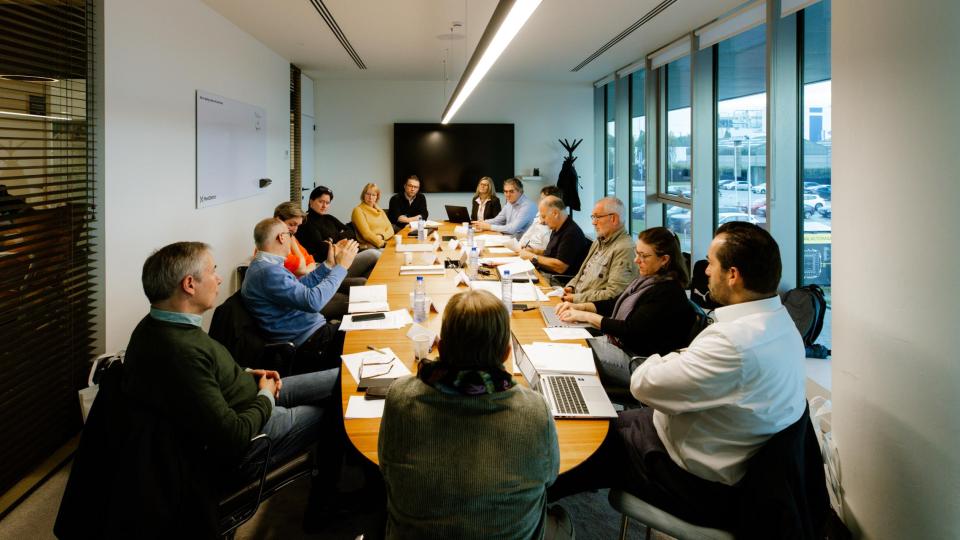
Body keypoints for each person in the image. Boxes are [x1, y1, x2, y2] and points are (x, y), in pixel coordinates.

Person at [548, 222, 807, 531]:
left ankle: (522, 508)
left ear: (733, 275)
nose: (706, 272)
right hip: (718, 452)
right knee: (595, 420)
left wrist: (673, 357)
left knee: (581, 445)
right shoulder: (782, 326)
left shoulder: (734, 341)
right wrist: (678, 357)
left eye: (711, 264)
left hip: (693, 480)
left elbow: (644, 384)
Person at [75, 242, 341, 532]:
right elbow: (234, 434)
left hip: (251, 393)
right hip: (256, 430)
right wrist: (265, 397)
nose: (218, 278)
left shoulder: (156, 327)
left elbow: (203, 379)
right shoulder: (179, 350)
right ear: (189, 284)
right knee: (338, 409)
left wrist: (248, 374)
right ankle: (325, 508)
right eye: (212, 271)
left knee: (344, 378)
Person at [378, 289, 574, 540]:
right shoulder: (536, 411)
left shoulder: (400, 397)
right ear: (506, 353)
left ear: (439, 345)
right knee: (560, 518)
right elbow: (549, 478)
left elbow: (385, 467)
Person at [556, 227, 697, 384]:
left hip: (638, 362)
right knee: (566, 343)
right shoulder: (648, 280)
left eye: (644, 256)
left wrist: (587, 316)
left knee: (569, 353)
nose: (637, 260)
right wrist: (581, 307)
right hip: (622, 347)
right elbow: (616, 303)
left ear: (664, 260)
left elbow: (629, 329)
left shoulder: (668, 292)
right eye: (637, 253)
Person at [242, 218, 358, 371]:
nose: (292, 239)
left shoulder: (265, 266)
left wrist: (329, 264)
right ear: (282, 238)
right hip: (312, 342)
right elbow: (313, 302)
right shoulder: (268, 272)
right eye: (290, 234)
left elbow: (302, 287)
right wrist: (342, 267)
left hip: (315, 334)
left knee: (365, 323)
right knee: (368, 332)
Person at [561, 197, 638, 303]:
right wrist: (571, 286)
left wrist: (576, 298)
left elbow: (614, 294)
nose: (593, 222)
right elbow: (582, 273)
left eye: (597, 217)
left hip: (588, 309)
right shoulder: (599, 241)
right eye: (593, 217)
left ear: (614, 219)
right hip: (575, 301)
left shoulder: (625, 249)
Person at [296, 185, 379, 280]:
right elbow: (322, 250)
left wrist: (332, 240)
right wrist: (339, 241)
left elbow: (350, 232)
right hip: (331, 264)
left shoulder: (329, 218)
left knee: (376, 262)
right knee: (374, 254)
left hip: (346, 256)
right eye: (321, 202)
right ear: (311, 201)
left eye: (327, 203)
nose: (324, 206)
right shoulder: (306, 222)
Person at [518, 195, 590, 277]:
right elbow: (552, 253)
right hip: (546, 273)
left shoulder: (571, 233)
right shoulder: (557, 227)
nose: (542, 221)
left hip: (558, 281)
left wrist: (532, 256)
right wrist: (534, 251)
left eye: (544, 216)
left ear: (555, 213)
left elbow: (560, 267)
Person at [472, 177, 537, 238]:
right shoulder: (509, 203)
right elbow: (498, 220)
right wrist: (482, 223)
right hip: (507, 239)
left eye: (511, 191)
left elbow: (512, 229)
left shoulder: (528, 206)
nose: (508, 195)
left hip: (520, 244)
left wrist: (489, 227)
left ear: (520, 191)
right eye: (506, 191)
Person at [268, 201, 317, 277]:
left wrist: (305, 271)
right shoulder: (273, 243)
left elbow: (311, 262)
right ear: (278, 221)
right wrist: (293, 244)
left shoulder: (290, 236)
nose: (295, 230)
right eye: (291, 224)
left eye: (298, 225)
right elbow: (301, 269)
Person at [515, 185, 563, 252]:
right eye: (541, 199)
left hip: (536, 256)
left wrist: (532, 251)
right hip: (525, 251)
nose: (540, 202)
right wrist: (519, 247)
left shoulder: (556, 224)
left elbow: (548, 251)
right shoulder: (539, 215)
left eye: (543, 200)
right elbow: (527, 235)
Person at [351, 182, 394, 249]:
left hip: (385, 242)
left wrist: (382, 236)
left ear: (377, 197)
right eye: (368, 194)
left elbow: (391, 229)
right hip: (371, 246)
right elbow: (366, 234)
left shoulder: (379, 210)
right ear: (363, 195)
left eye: (373, 195)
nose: (370, 197)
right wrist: (382, 243)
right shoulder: (358, 210)